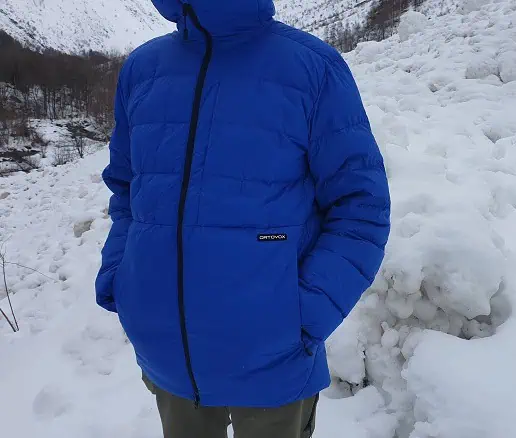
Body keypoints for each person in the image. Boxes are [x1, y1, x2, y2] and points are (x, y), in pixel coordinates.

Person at [94, 1, 391, 437]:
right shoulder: (143, 70)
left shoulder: (312, 68)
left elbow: (360, 208)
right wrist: (122, 277)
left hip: (273, 365)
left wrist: (303, 315)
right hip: (167, 356)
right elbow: (126, 190)